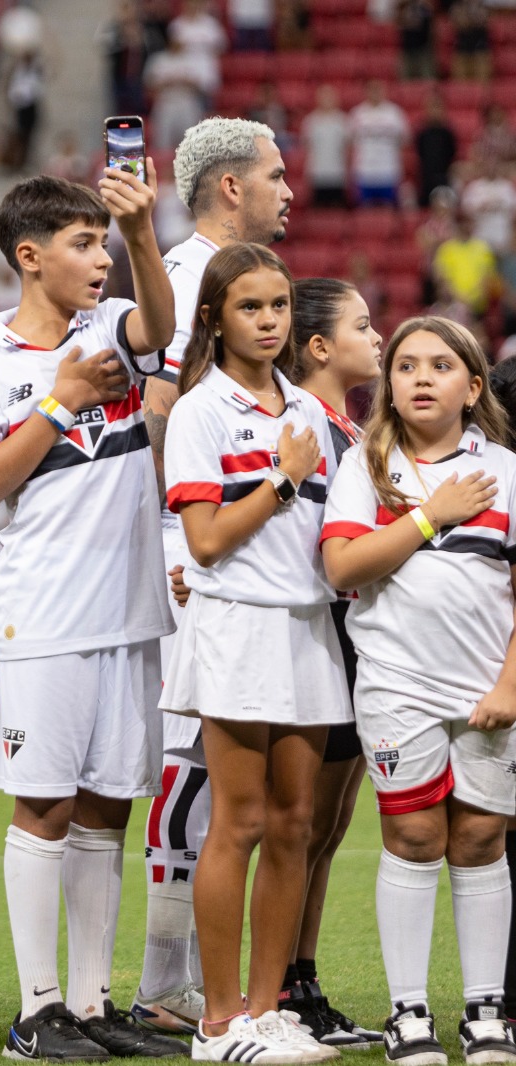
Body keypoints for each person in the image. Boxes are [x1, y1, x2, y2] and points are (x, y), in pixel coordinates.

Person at [0, 171, 181, 1060]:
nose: (101, 258)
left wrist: (144, 230)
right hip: (42, 617)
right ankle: (35, 1013)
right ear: (29, 256)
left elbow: (157, 329)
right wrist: (59, 400)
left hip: (129, 613)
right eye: (84, 244)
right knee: (42, 809)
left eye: (103, 242)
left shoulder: (111, 331)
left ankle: (90, 1002)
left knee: (107, 810)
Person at [160, 242, 348, 1063]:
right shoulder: (200, 411)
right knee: (236, 823)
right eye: (250, 307)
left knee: (296, 824)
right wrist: (280, 481)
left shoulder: (307, 410)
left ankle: (269, 1013)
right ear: (214, 318)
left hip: (306, 624)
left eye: (278, 306)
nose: (269, 321)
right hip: (236, 624)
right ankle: (219, 1021)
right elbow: (203, 543)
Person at [133, 117, 293, 1036]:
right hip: (195, 543)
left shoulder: (208, 277)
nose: (287, 191)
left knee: (213, 779)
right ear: (231, 188)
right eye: (273, 176)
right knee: (195, 771)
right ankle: (166, 984)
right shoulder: (193, 278)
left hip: (217, 539)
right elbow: (164, 413)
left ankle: (183, 980)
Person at [320, 316, 516, 1066]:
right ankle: (407, 1013)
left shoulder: (505, 469)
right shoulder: (366, 467)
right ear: (389, 386)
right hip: (397, 686)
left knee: (479, 838)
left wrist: (510, 684)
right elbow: (343, 569)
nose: (422, 377)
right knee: (413, 836)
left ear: (473, 387)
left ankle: (486, 1013)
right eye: (406, 366)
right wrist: (434, 516)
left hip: (486, 695)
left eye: (441, 365)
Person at [280, 278, 384, 1048]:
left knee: (328, 827)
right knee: (301, 824)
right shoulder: (300, 422)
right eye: (362, 324)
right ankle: (280, 983)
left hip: (350, 636)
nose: (377, 336)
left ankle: (304, 976)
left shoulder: (345, 426)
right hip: (315, 631)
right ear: (319, 346)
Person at [350, 81, 410, 208]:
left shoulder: (394, 113)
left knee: (389, 210)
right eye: (372, 90)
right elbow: (350, 143)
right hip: (365, 172)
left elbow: (405, 140)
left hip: (388, 171)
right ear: (366, 92)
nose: (375, 94)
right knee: (365, 212)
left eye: (378, 90)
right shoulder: (357, 114)